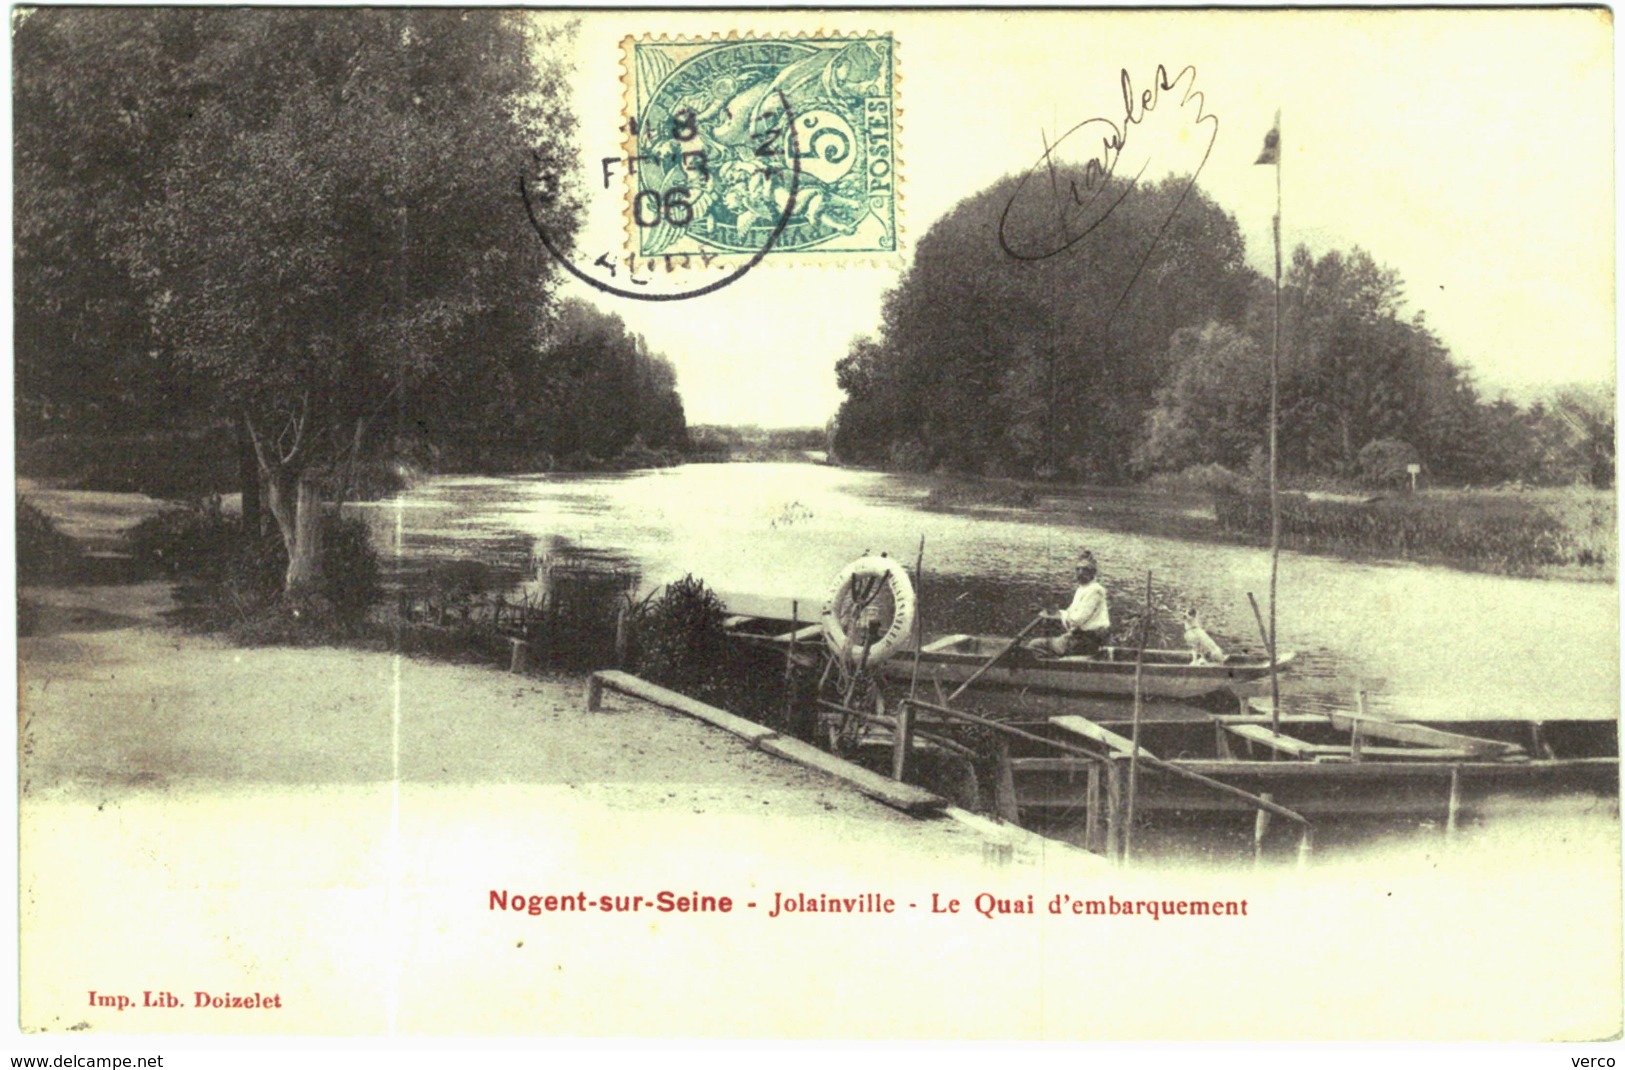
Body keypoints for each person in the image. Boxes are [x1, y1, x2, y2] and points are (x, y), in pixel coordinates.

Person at [1027, 551, 1112, 657]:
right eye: (1078, 569)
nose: (1080, 572)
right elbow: (1069, 613)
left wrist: (1056, 614)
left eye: (1085, 570)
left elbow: (1077, 619)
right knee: (1043, 643)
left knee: (1035, 645)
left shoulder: (1095, 591)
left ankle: (1054, 668)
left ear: (1093, 573)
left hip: (1086, 640)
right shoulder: (1083, 589)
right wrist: (1046, 611)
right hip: (1079, 637)